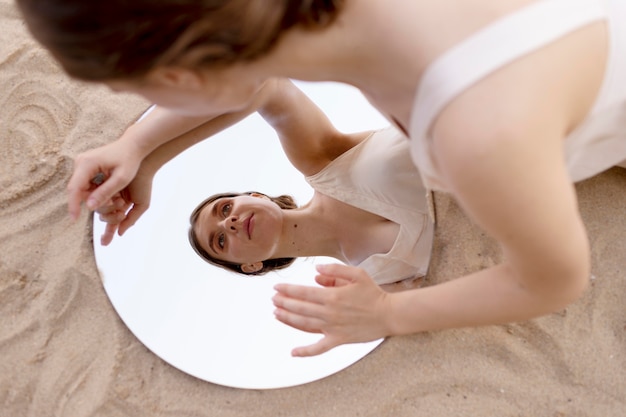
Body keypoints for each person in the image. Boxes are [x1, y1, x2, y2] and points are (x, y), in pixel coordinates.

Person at [15, 0, 626, 357]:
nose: (230, 221)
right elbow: (265, 89)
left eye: (131, 90)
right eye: (220, 237)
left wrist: (390, 316)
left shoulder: (475, 131)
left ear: (181, 80)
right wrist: (138, 147)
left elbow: (551, 279)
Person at [99, 79, 434, 285]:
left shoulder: (321, 161)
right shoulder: (370, 282)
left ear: (258, 196)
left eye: (225, 208)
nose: (228, 222)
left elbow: (262, 84)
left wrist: (145, 159)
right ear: (250, 266)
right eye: (219, 241)